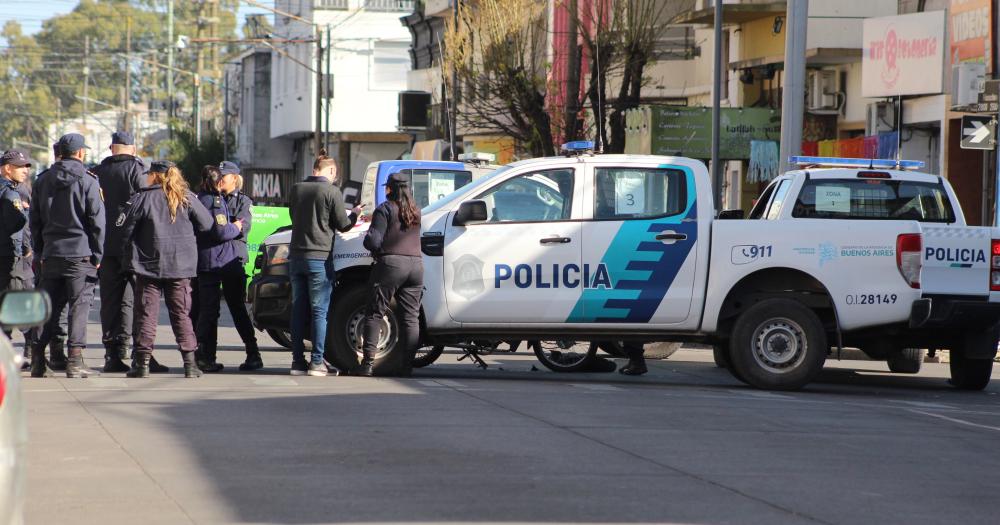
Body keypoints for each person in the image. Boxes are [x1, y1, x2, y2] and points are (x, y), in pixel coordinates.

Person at [120, 161, 213, 378]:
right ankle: (190, 364)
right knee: (181, 314)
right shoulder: (186, 196)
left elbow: (125, 229)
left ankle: (142, 365)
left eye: (149, 175)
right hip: (181, 266)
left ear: (155, 176)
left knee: (146, 314)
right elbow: (207, 224)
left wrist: (127, 254)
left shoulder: (143, 197)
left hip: (148, 265)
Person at [92, 131, 171, 374]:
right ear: (133, 149)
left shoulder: (96, 171)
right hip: (134, 245)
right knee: (142, 300)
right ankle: (142, 354)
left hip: (105, 245)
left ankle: (112, 355)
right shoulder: (138, 170)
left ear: (110, 147)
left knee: (111, 301)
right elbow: (148, 204)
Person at [28, 133, 105, 378]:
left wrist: (40, 251)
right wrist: (98, 253)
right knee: (79, 308)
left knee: (47, 308)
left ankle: (38, 359)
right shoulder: (88, 180)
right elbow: (97, 222)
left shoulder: (42, 180)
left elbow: (35, 220)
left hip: (51, 254)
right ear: (80, 153)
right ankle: (74, 360)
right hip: (80, 254)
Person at [287, 153, 363, 376]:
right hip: (319, 258)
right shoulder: (331, 191)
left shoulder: (296, 189)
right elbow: (343, 225)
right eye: (335, 174)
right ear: (330, 172)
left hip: (296, 257)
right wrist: (355, 214)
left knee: (298, 310)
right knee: (320, 311)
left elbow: (294, 217)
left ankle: (297, 362)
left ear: (314, 169)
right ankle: (317, 362)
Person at [195, 162, 261, 372]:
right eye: (219, 176)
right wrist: (230, 225)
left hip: (233, 260)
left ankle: (253, 354)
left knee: (237, 308)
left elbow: (243, 227)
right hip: (214, 259)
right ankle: (208, 356)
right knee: (209, 310)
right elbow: (220, 228)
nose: (221, 179)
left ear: (235, 178)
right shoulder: (212, 198)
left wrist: (228, 227)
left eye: (225, 176)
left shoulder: (243, 201)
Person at [358, 172, 423, 377]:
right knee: (411, 318)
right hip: (416, 266)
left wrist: (369, 236)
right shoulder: (416, 211)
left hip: (391, 265)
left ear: (389, 189)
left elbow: (373, 241)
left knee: (375, 312)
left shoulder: (385, 209)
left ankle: (367, 364)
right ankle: (407, 366)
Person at [0, 150, 31, 341]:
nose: (25, 170)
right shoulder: (10, 193)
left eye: (27, 166)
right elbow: (17, 222)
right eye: (20, 166)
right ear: (7, 168)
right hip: (7, 256)